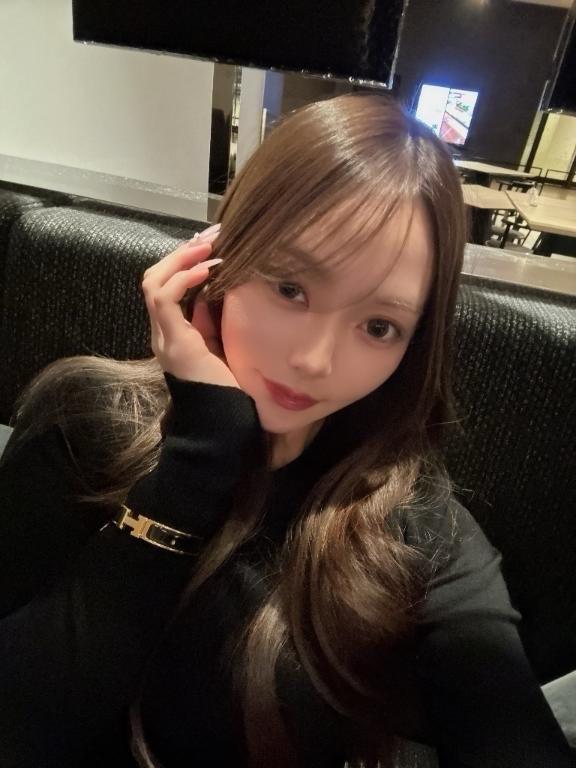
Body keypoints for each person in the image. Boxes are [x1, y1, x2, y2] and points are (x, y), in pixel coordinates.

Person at [0, 92, 573, 768]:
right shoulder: (84, 420)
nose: (314, 360)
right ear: (218, 258)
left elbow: (503, 717)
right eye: (291, 288)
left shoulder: (413, 521)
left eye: (379, 326)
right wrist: (199, 459)